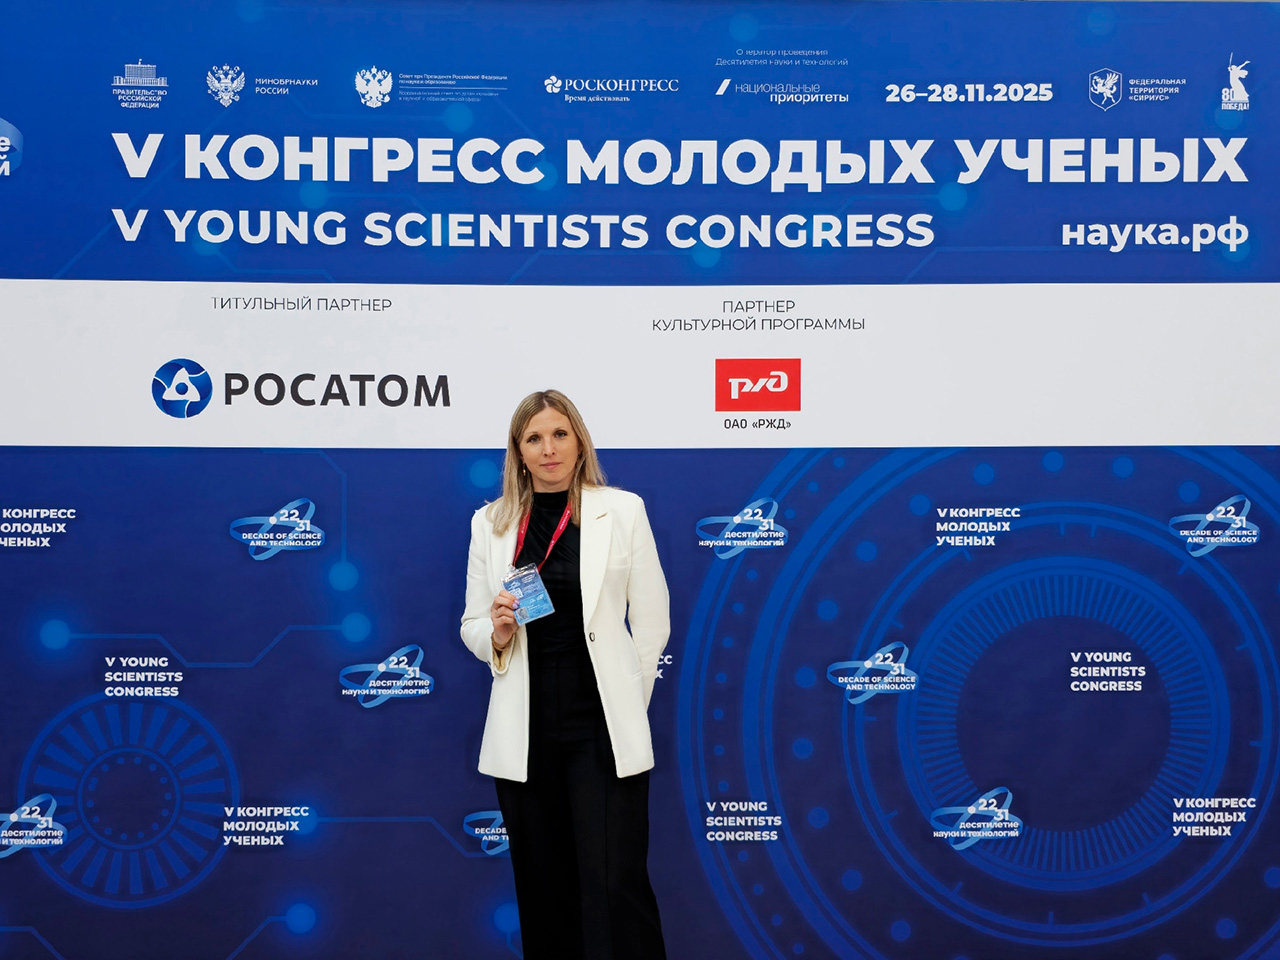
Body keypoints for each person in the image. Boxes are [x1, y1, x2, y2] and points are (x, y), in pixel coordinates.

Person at [460, 389, 669, 960]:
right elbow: (473, 624)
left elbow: (652, 623)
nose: (548, 448)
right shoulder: (491, 523)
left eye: (559, 434)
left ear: (579, 442)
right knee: (543, 888)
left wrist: (627, 705)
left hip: (601, 725)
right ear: (518, 451)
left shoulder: (622, 510)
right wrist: (497, 634)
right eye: (534, 438)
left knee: (616, 884)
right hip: (525, 728)